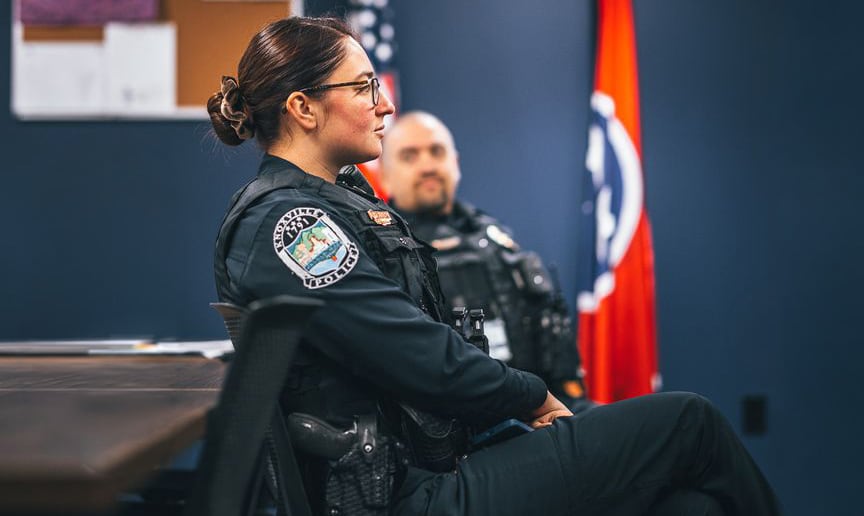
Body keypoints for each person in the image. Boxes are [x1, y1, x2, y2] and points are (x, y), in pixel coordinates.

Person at [208, 16, 778, 516]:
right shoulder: (287, 225)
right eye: (363, 87)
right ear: (303, 108)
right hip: (402, 495)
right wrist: (532, 399)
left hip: (440, 461)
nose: (384, 104)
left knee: (691, 507)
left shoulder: (338, 204)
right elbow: (418, 355)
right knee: (688, 421)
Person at [378, 111, 593, 412]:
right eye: (409, 156)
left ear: (456, 162)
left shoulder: (495, 237)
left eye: (437, 151)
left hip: (543, 408)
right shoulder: (383, 253)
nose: (427, 165)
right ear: (384, 174)